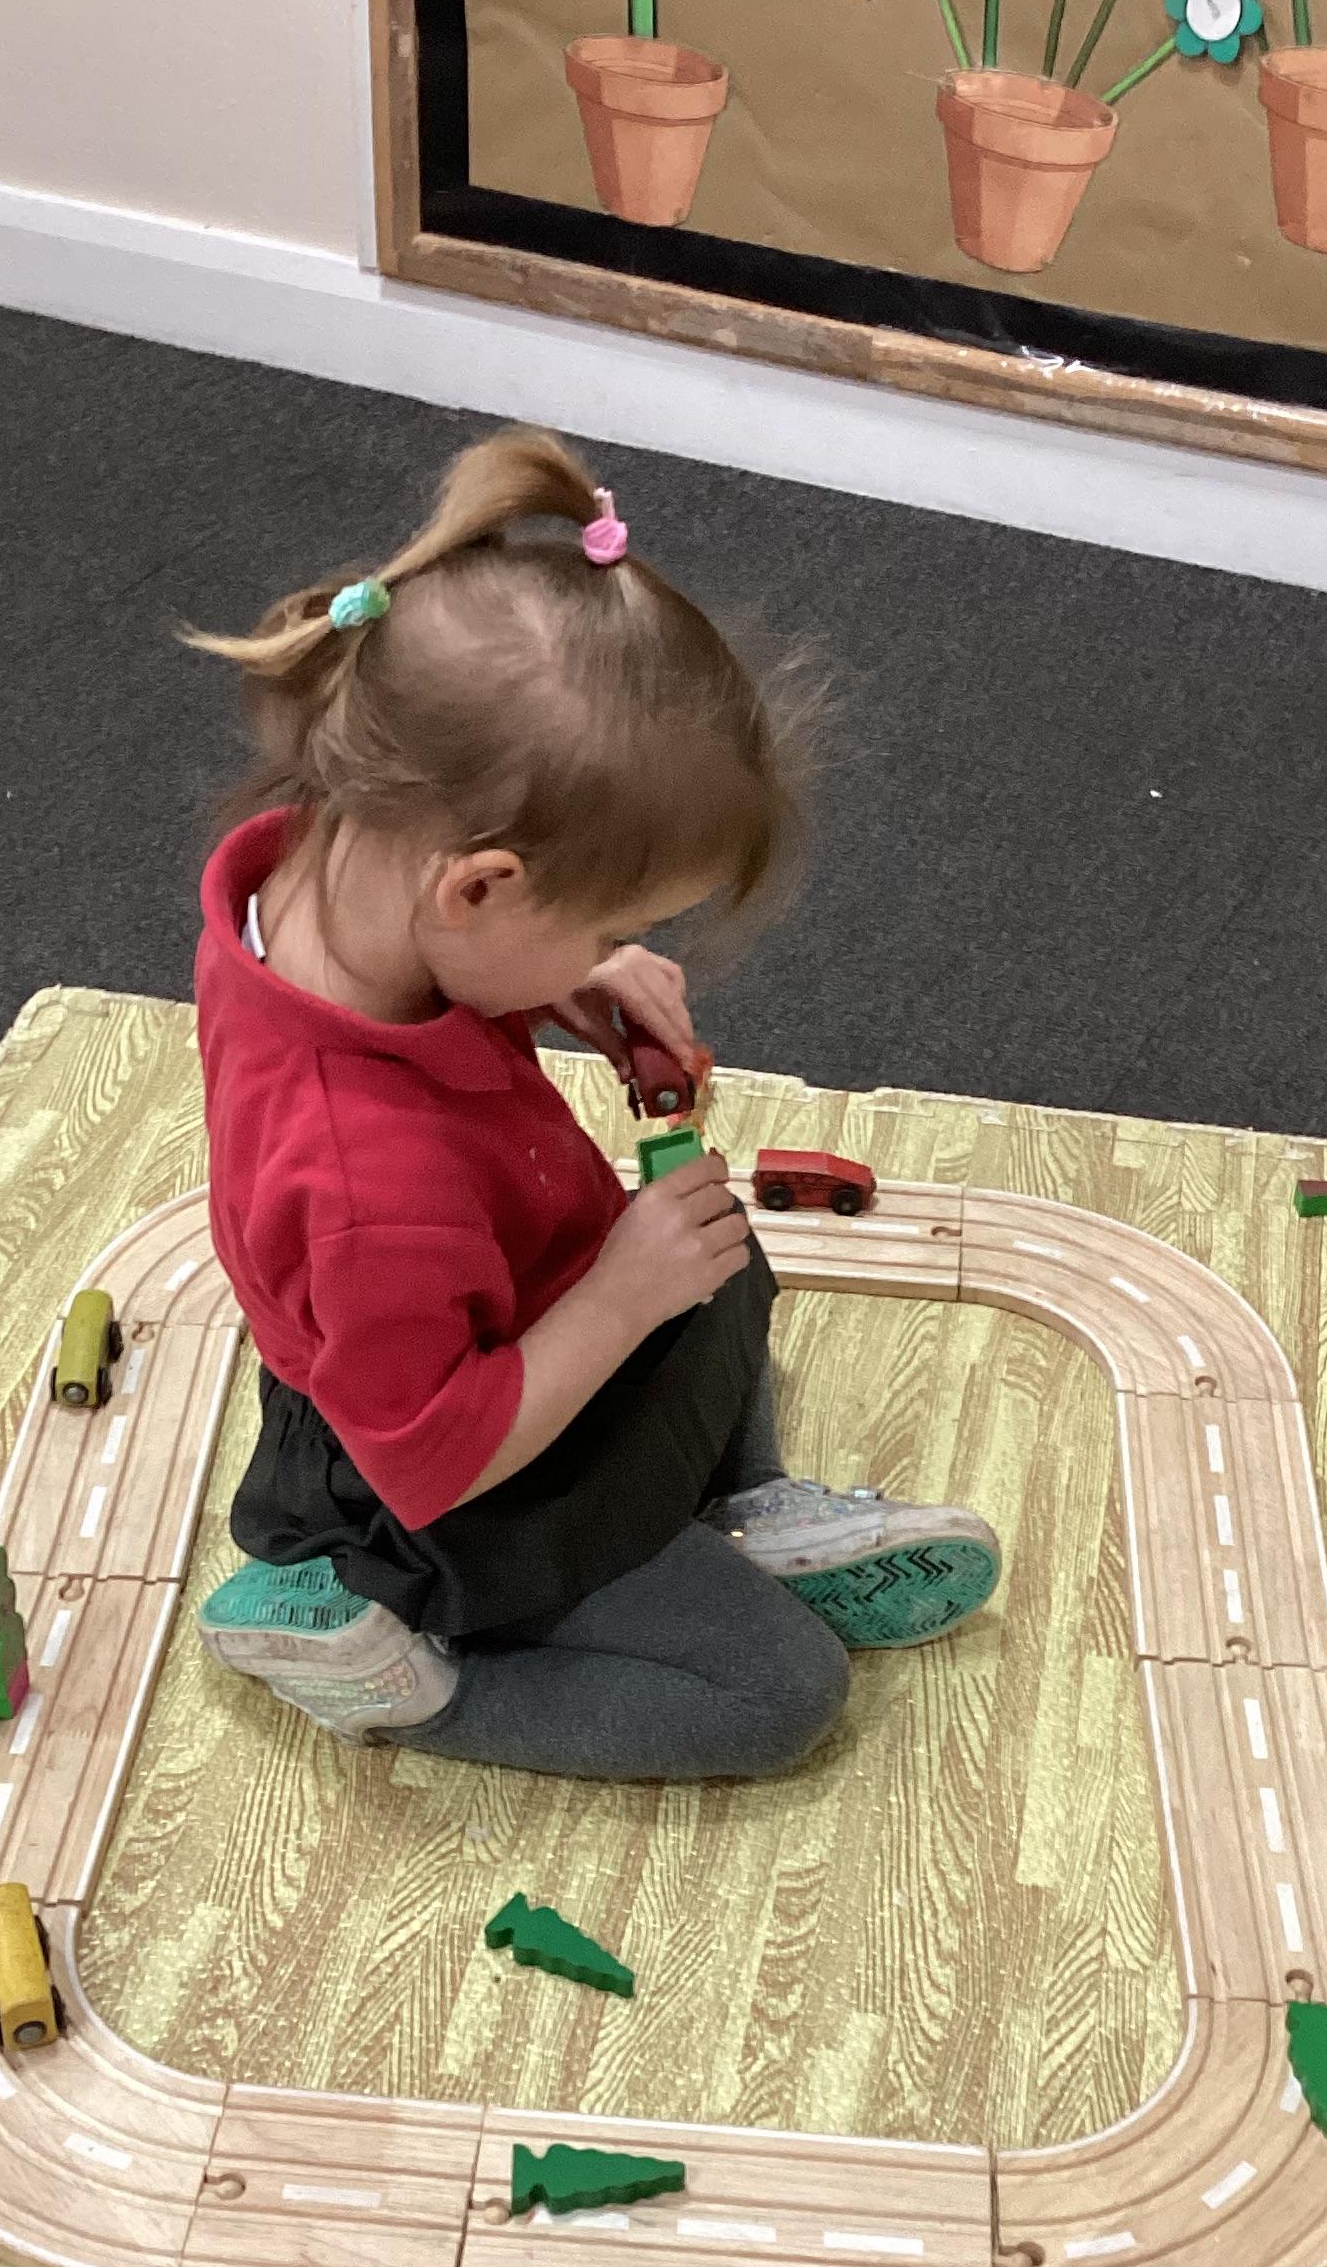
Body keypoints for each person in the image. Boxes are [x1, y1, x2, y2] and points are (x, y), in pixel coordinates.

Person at [185, 426, 1000, 1783]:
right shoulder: (368, 1189)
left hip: (494, 1310)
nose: (623, 950)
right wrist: (619, 1296)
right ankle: (411, 1684)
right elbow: (438, 1462)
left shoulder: (332, 862)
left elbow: (448, 955)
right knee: (777, 1693)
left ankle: (745, 1511)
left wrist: (558, 975)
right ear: (480, 887)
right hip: (432, 1493)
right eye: (613, 922)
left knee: (717, 1261)